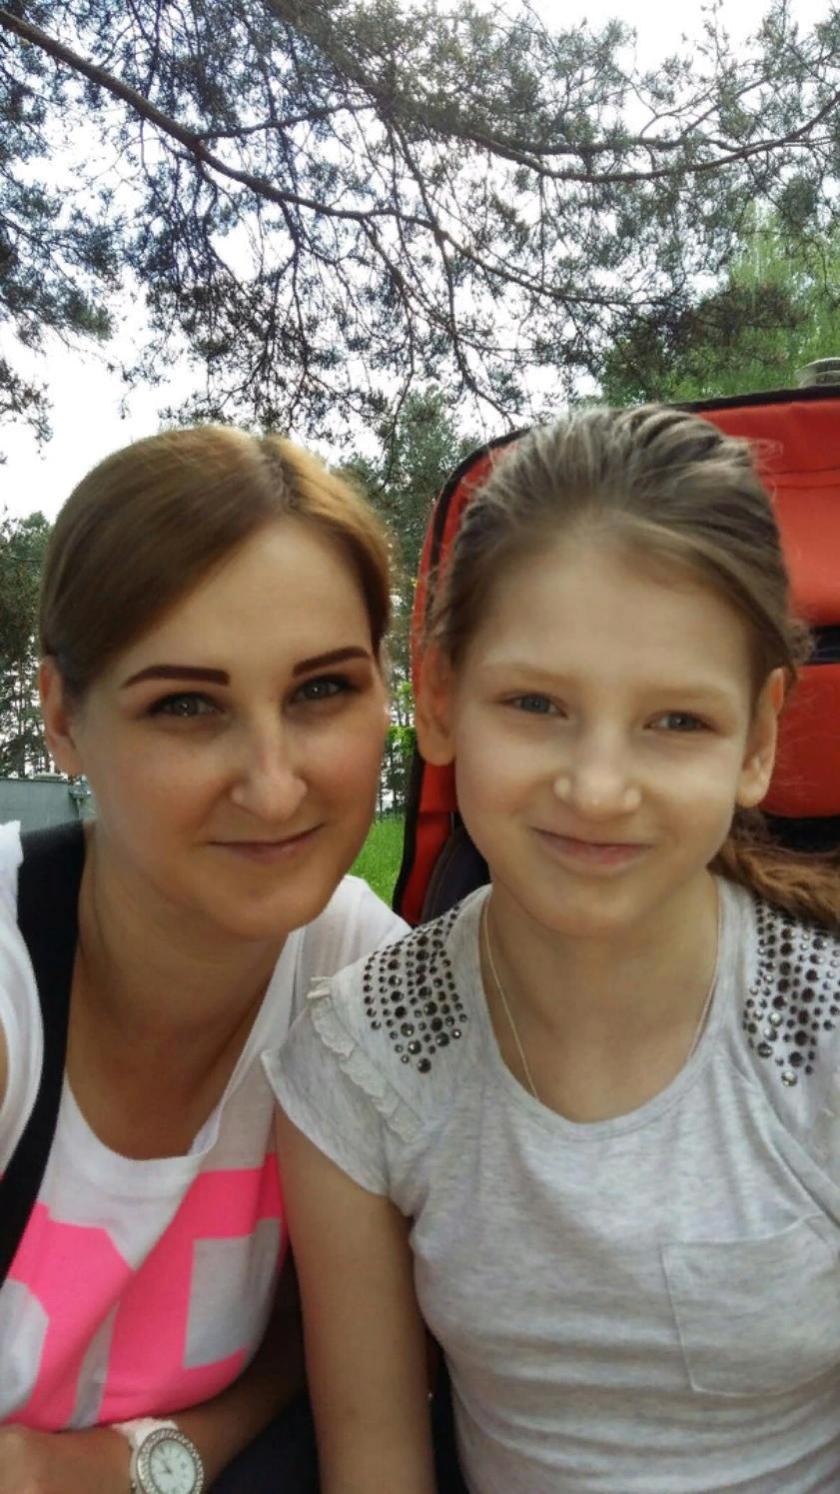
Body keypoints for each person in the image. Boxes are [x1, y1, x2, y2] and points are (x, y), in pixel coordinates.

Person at [268, 404, 840, 1492]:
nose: (599, 788)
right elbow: (376, 1461)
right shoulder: (362, 1062)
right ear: (441, 699)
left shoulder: (822, 1038)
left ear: (758, 738)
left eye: (677, 721)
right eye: (536, 703)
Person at [0, 424, 408, 1492]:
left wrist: (131, 1463)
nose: (273, 788)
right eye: (186, 705)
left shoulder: (366, 977)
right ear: (63, 719)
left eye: (322, 690)